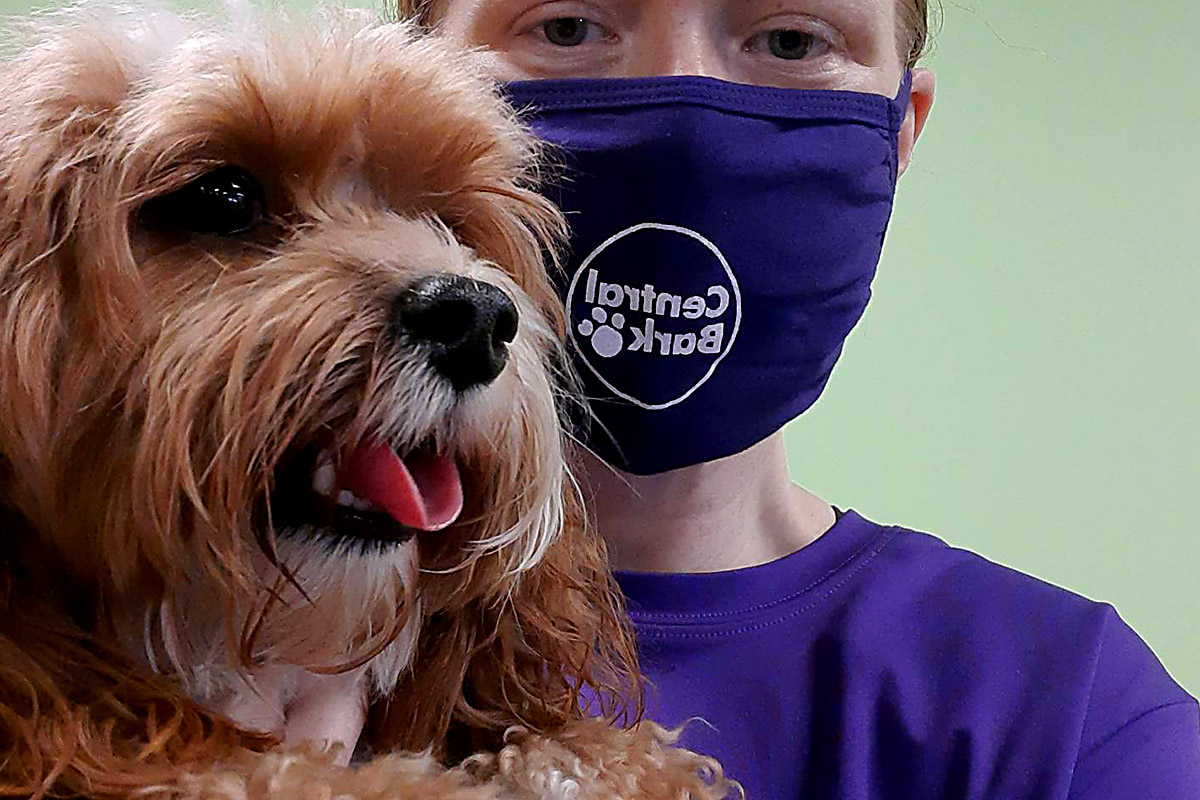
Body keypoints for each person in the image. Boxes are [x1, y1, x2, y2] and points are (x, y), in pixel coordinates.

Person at [399, 0, 1200, 796]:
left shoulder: (1063, 718)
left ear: (900, 130)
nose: (685, 118)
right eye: (567, 28)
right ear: (409, 79)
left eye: (791, 40)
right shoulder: (285, 630)